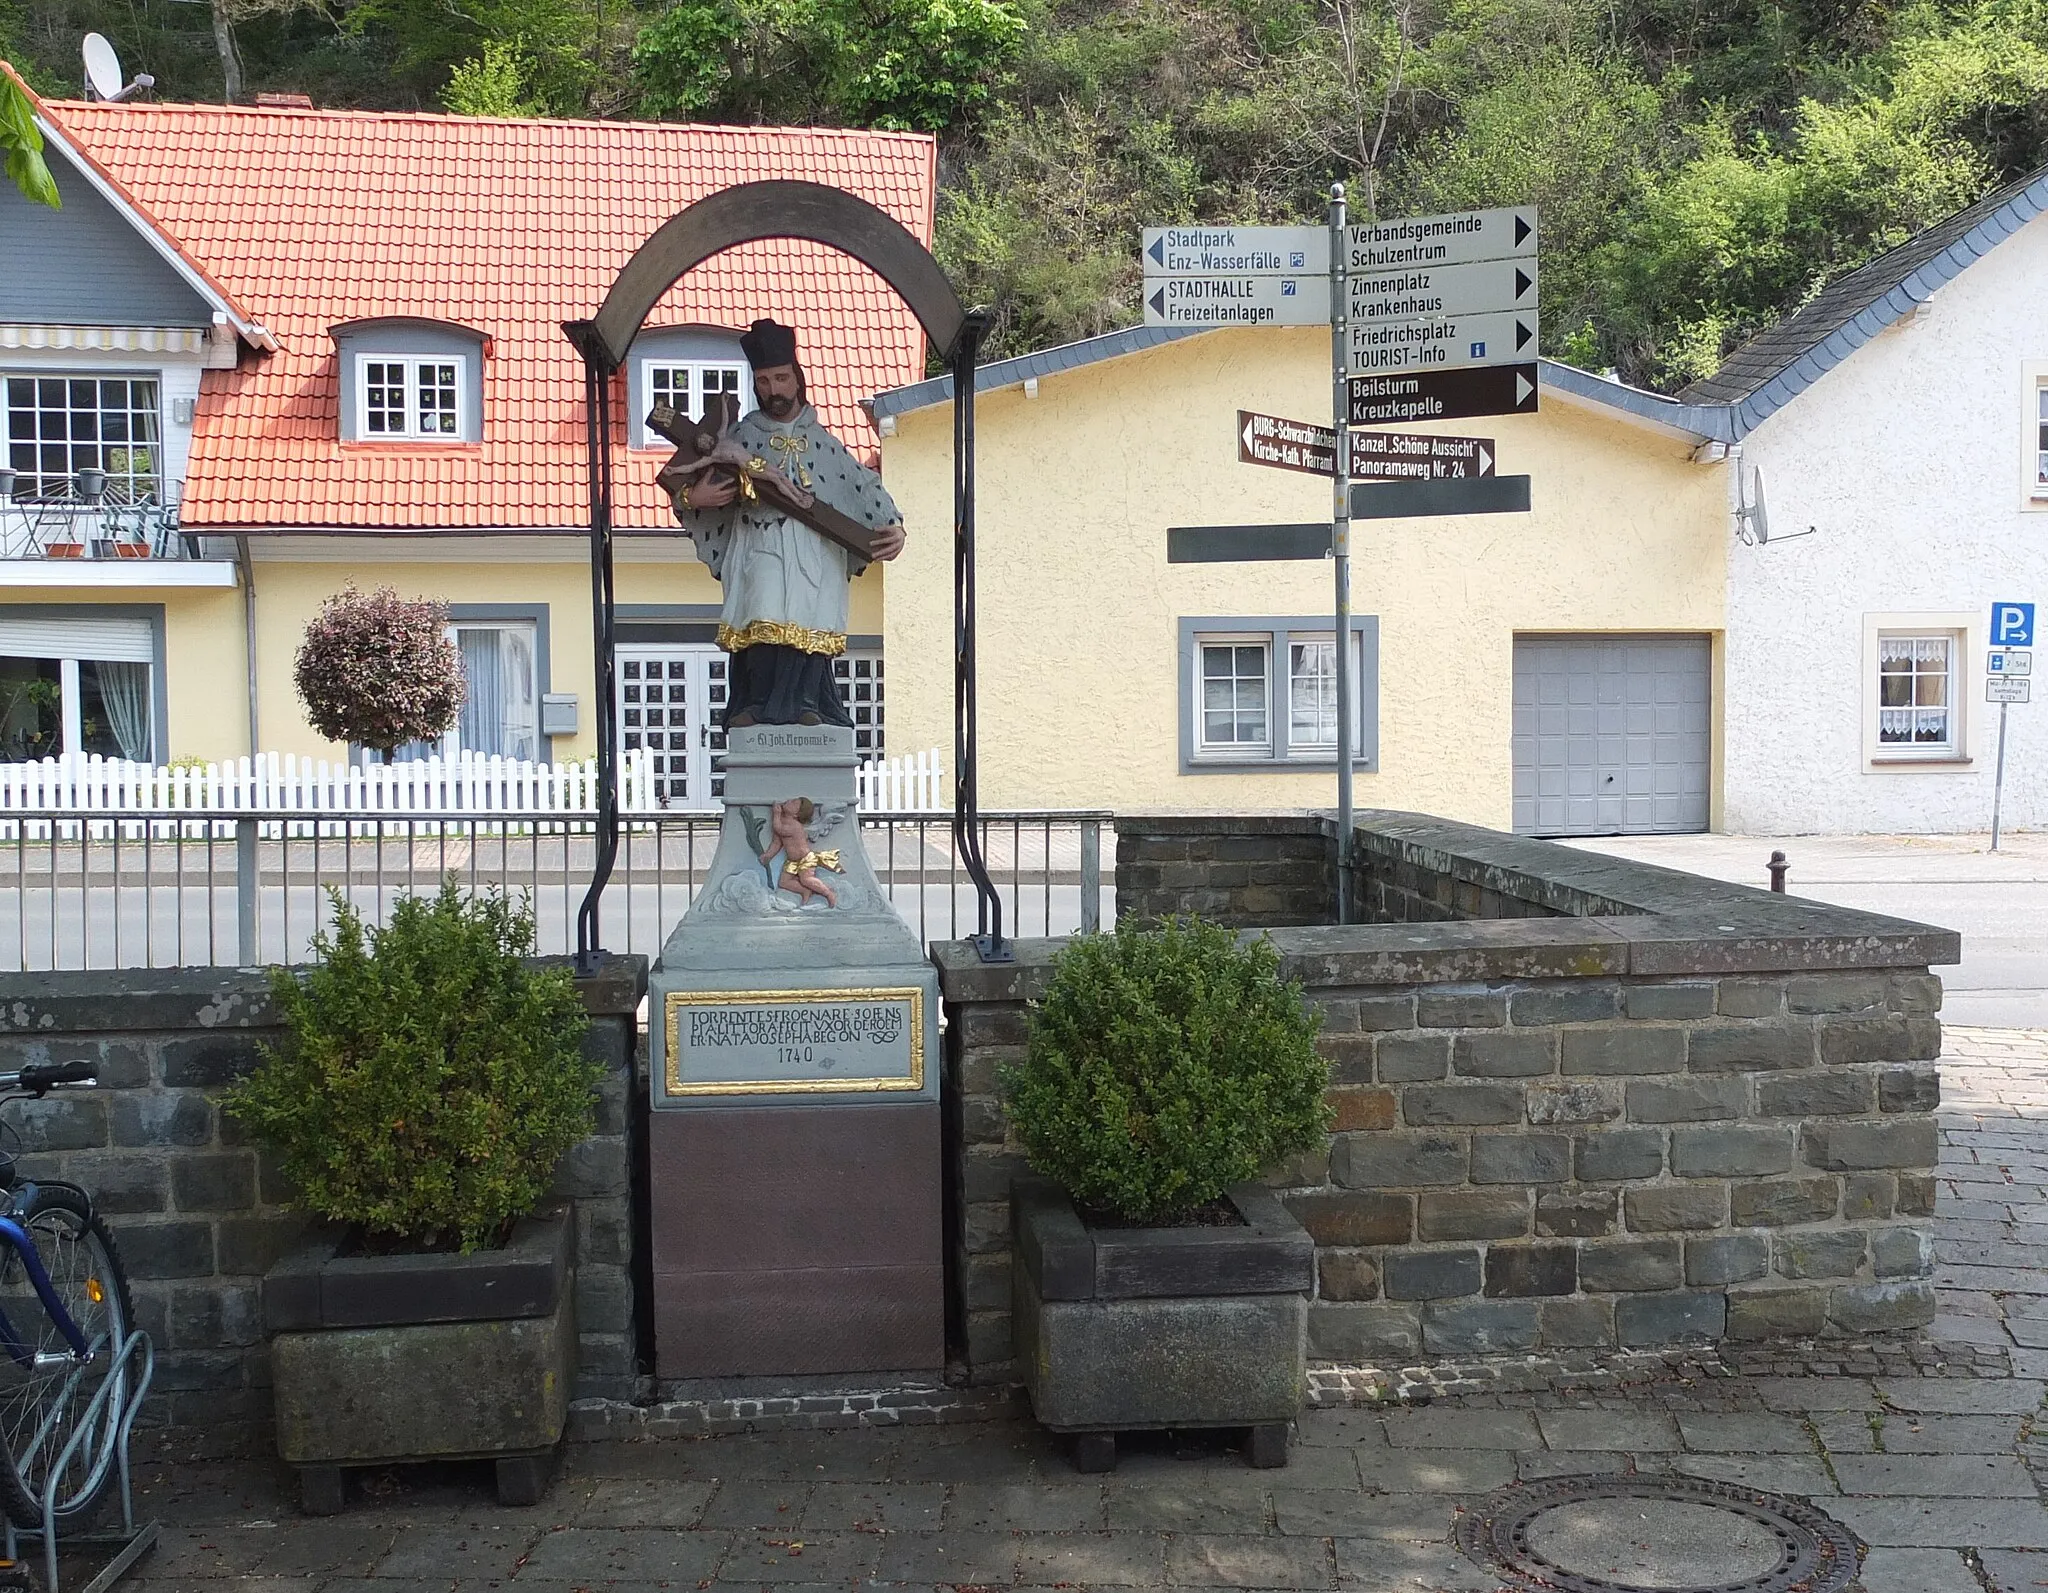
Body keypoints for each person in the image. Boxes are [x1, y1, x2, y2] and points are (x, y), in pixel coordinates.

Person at [665, 318, 906, 728]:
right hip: (759, 544)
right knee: (762, 609)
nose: (773, 390)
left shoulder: (823, 441)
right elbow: (687, 480)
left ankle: (809, 703)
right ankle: (756, 705)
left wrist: (894, 525)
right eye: (763, 381)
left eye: (780, 378)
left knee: (813, 615)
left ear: (797, 378)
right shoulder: (739, 438)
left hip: (816, 550)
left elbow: (860, 483)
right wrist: (693, 497)